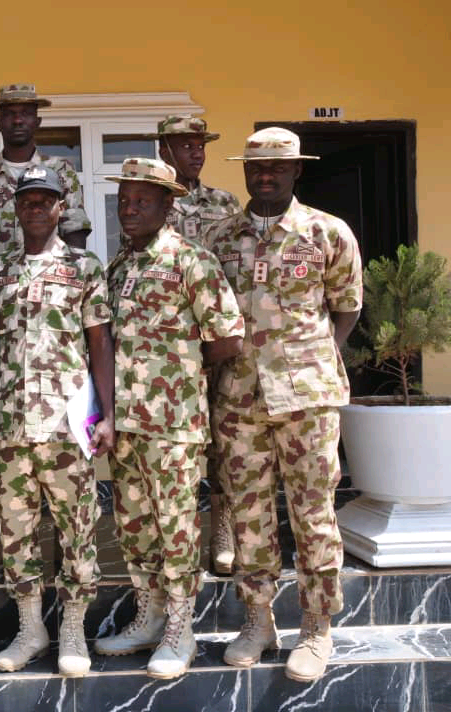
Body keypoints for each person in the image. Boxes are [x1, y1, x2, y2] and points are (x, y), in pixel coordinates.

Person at [205, 127, 362, 682]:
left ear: (298, 171)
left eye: (277, 168)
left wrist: (315, 361)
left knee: (313, 514)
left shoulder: (327, 232)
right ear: (244, 172)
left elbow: (346, 307)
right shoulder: (220, 238)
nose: (265, 176)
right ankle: (258, 620)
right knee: (249, 513)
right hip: (238, 399)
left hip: (307, 400)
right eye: (256, 168)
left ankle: (316, 628)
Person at [93, 158, 244, 679]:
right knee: (133, 526)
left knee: (176, 526)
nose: (129, 210)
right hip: (126, 426)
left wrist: (179, 368)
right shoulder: (118, 266)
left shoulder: (191, 260)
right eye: (123, 201)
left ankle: (182, 626)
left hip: (173, 424)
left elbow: (228, 337)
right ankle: (150, 615)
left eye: (142, 201)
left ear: (168, 205)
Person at [0, 82, 92, 574]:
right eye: (9, 113)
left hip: (52, 304)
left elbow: (74, 233)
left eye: (26, 113)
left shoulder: (61, 173)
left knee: (59, 439)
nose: (17, 120)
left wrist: (62, 279)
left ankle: (60, 544)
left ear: (37, 120)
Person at [0, 166, 115, 676]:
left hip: (67, 426)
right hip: (13, 426)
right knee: (15, 532)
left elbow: (100, 342)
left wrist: (107, 413)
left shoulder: (85, 268)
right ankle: (31, 628)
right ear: (17, 208)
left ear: (62, 208)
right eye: (28, 200)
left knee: (77, 531)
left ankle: (74, 630)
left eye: (46, 200)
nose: (37, 207)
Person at [143, 114, 243, 575]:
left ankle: (223, 528)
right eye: (185, 145)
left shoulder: (225, 203)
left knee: (223, 437)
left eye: (200, 144)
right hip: (167, 348)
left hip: (217, 336)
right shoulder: (154, 203)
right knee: (172, 447)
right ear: (164, 149)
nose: (196, 152)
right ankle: (172, 536)